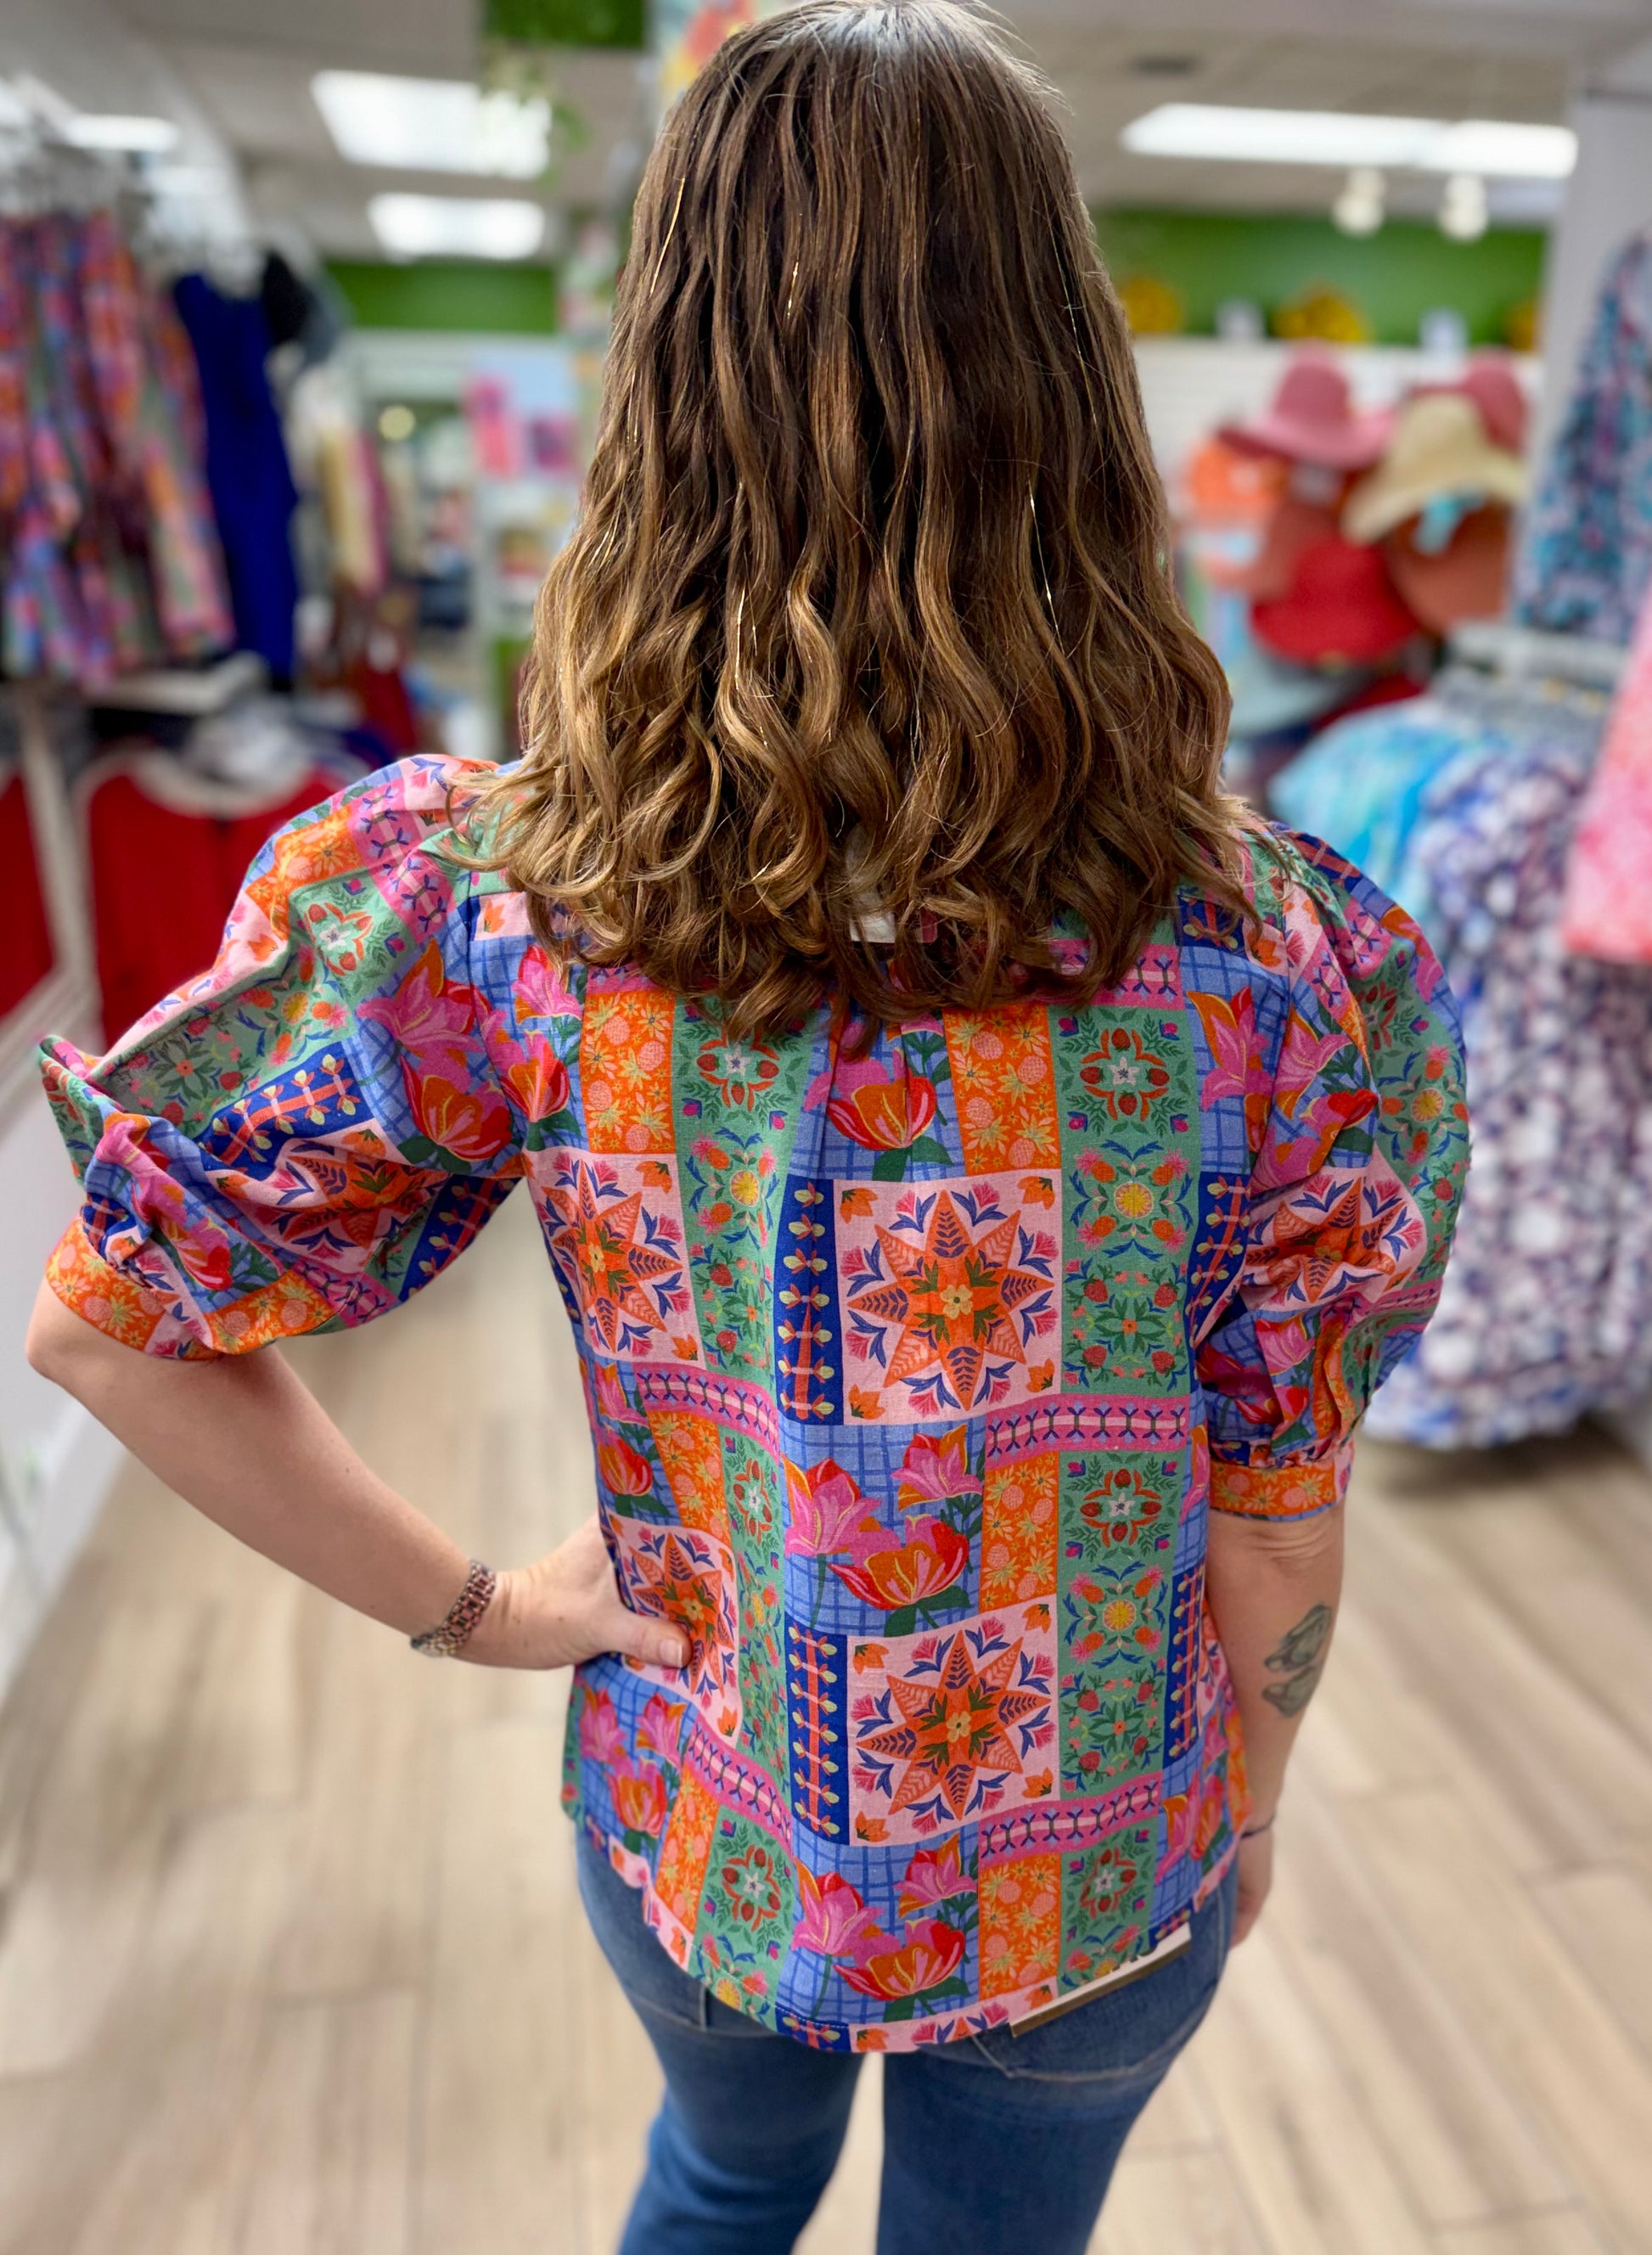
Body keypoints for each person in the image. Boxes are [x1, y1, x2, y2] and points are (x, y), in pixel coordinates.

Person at [27, 6, 1467, 2249]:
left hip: (707, 1806)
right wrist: (1249, 1801)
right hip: (1100, 1852)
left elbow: (114, 1324)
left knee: (714, 2177)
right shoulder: (1279, 958)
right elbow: (1276, 1516)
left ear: (660, 387)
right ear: (1074, 389)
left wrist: (483, 1612)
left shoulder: (493, 901)